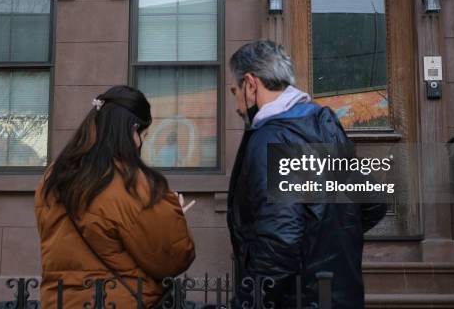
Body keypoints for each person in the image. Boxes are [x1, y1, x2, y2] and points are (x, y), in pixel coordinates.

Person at [227, 41, 386, 309]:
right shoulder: (325, 126)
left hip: (296, 300)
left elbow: (280, 238)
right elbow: (373, 203)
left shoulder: (269, 138)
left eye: (235, 92)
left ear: (251, 84)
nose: (237, 106)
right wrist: (326, 243)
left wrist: (246, 303)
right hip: (340, 295)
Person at [34, 85, 196, 308]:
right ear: (134, 130)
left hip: (60, 300)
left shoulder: (52, 176)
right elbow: (172, 259)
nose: (141, 144)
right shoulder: (132, 183)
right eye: (144, 136)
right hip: (116, 301)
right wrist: (175, 216)